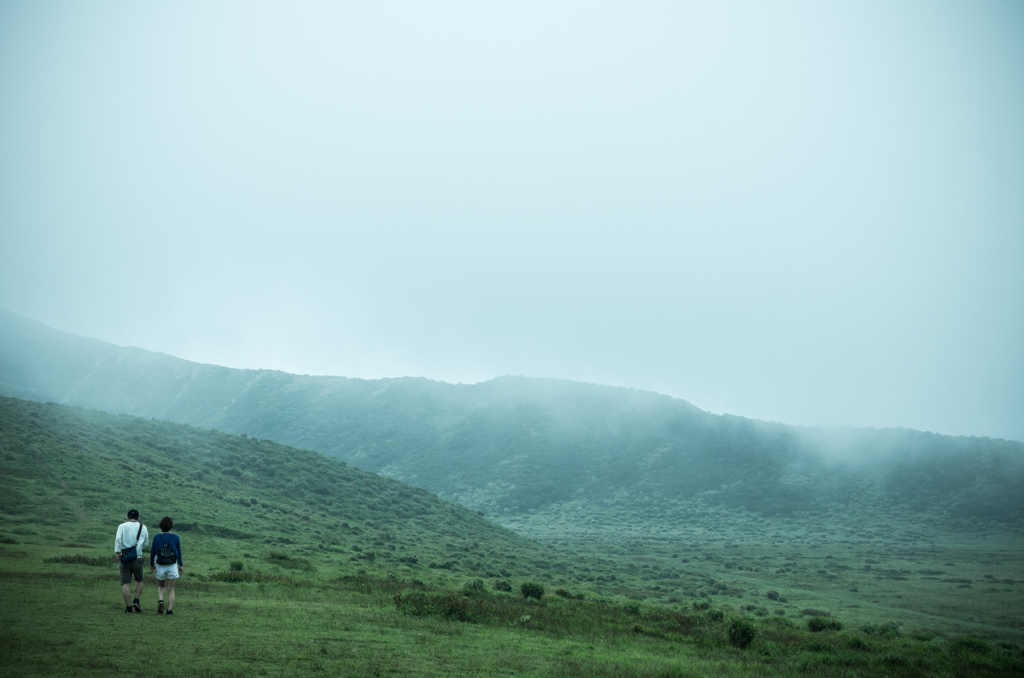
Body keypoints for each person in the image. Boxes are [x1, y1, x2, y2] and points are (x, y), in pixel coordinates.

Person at [113, 509, 149, 613]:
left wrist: (118, 553)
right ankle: (136, 600)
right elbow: (146, 544)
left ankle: (128, 608)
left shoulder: (122, 526)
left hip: (124, 558)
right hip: (137, 557)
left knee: (126, 583)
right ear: (138, 517)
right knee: (139, 580)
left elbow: (118, 540)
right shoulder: (143, 527)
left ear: (128, 517)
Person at [149, 516, 183, 615]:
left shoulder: (156, 537)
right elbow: (179, 552)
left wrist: (152, 564)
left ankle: (160, 600)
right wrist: (180, 564)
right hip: (172, 565)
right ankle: (169, 610)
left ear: (161, 526)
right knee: (171, 589)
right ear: (171, 526)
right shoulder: (176, 537)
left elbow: (153, 552)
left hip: (160, 564)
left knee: (161, 586)